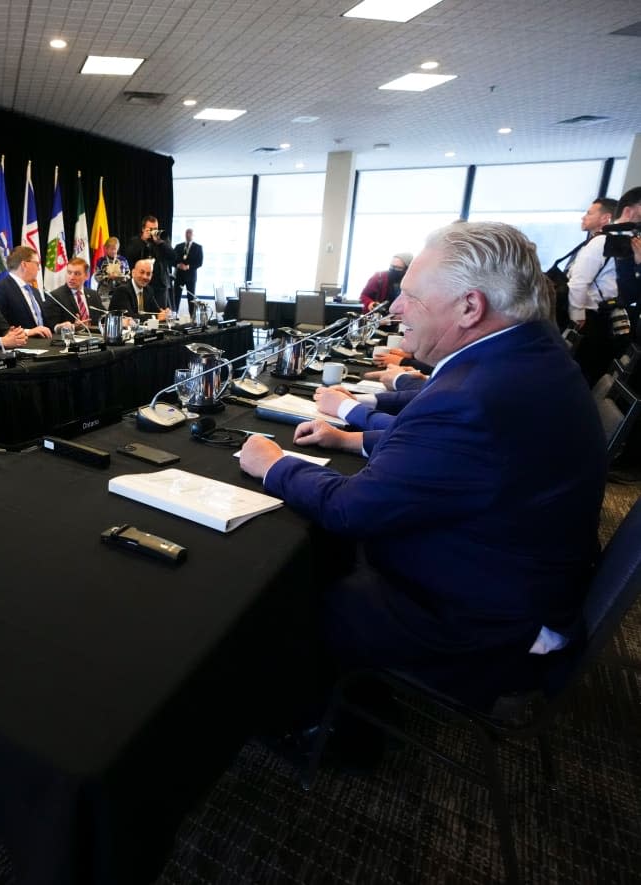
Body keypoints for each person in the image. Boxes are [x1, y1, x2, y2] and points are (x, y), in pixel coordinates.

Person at [239, 221, 605, 719]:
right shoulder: (528, 357)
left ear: (470, 307)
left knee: (280, 591)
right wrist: (353, 437)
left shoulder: (477, 395)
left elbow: (352, 510)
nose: (394, 308)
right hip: (517, 583)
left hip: (481, 623)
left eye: (411, 296)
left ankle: (316, 726)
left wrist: (275, 464)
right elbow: (450, 454)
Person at [568, 189, 641, 384]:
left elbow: (632, 290)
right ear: (630, 211)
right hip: (592, 317)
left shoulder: (633, 242)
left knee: (598, 371)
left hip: (614, 315)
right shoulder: (603, 241)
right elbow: (578, 281)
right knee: (583, 371)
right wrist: (577, 315)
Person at [0, 245, 53, 338]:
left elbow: (44, 324)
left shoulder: (35, 291)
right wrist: (28, 332)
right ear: (24, 265)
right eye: (37, 264)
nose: (39, 268)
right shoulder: (0, 289)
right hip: (20, 346)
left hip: (44, 345)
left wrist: (58, 327)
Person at [123, 216, 175, 309]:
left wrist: (161, 243)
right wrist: (143, 240)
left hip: (160, 284)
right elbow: (129, 255)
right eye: (150, 229)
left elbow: (173, 256)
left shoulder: (162, 240)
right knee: (144, 312)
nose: (153, 232)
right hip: (143, 283)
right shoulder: (136, 241)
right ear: (143, 229)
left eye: (155, 229)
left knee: (161, 312)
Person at [43, 256, 105, 330]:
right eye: (69, 272)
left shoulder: (93, 295)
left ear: (86, 276)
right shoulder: (55, 297)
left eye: (77, 274)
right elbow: (51, 326)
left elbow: (103, 318)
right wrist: (73, 327)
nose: (71, 277)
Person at [107, 258, 171, 322]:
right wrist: (155, 317)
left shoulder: (148, 290)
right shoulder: (122, 291)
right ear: (133, 273)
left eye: (148, 274)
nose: (145, 277)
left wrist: (164, 313)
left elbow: (157, 312)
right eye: (142, 272)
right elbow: (129, 317)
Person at [173, 228, 204, 316]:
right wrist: (178, 265)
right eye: (187, 233)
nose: (188, 235)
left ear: (193, 235)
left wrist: (188, 266)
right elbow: (172, 259)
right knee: (176, 296)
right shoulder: (178, 246)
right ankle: (174, 315)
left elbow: (200, 262)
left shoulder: (198, 247)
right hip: (179, 276)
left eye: (190, 233)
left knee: (191, 297)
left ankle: (192, 316)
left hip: (191, 276)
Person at [92, 237, 130, 304]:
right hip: (104, 293)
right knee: (105, 312)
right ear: (106, 249)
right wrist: (107, 278)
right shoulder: (101, 261)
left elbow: (128, 275)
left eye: (115, 249)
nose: (113, 251)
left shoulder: (123, 260)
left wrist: (122, 278)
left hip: (120, 292)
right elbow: (96, 276)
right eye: (111, 249)